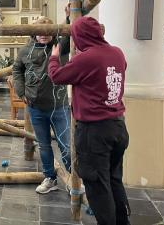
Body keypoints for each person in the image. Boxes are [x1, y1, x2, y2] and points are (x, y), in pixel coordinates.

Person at [48, 16, 130, 225]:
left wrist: (54, 57)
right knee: (113, 181)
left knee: (97, 188)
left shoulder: (87, 58)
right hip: (118, 127)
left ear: (80, 36)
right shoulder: (117, 52)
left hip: (95, 132)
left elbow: (57, 76)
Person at [12, 16, 71, 194]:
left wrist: (69, 16)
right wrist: (21, 92)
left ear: (52, 33)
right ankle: (50, 178)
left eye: (47, 32)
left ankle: (74, 180)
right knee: (44, 145)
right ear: (34, 34)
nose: (43, 35)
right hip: (36, 107)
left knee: (66, 146)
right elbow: (17, 70)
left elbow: (68, 33)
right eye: (40, 32)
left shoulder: (59, 47)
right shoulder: (25, 51)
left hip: (58, 106)